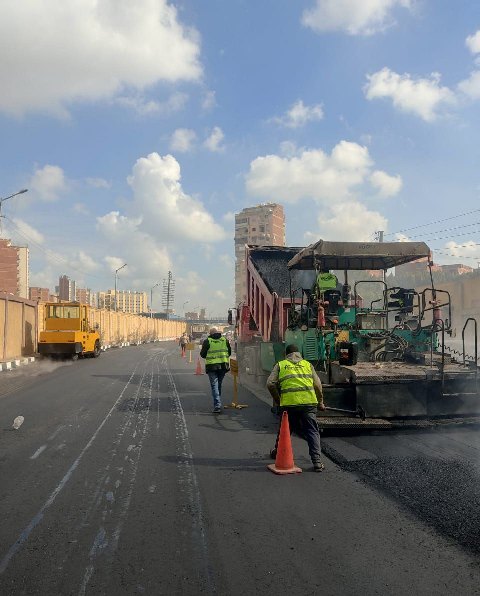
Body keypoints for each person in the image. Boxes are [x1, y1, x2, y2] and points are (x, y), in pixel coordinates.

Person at [266, 343, 326, 472]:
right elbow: (317, 385)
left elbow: (270, 384)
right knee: (312, 431)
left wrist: (278, 400)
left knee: (285, 430)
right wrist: (320, 402)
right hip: (308, 403)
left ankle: (277, 453)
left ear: (286, 354)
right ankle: (317, 462)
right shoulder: (307, 365)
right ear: (299, 354)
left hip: (289, 404)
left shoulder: (281, 365)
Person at [200, 327, 231, 414]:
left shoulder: (207, 341)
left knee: (214, 386)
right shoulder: (224, 340)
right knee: (219, 385)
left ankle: (217, 405)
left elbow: (203, 354)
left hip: (212, 367)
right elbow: (229, 352)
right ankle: (218, 402)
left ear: (210, 334)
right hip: (223, 366)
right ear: (218, 332)